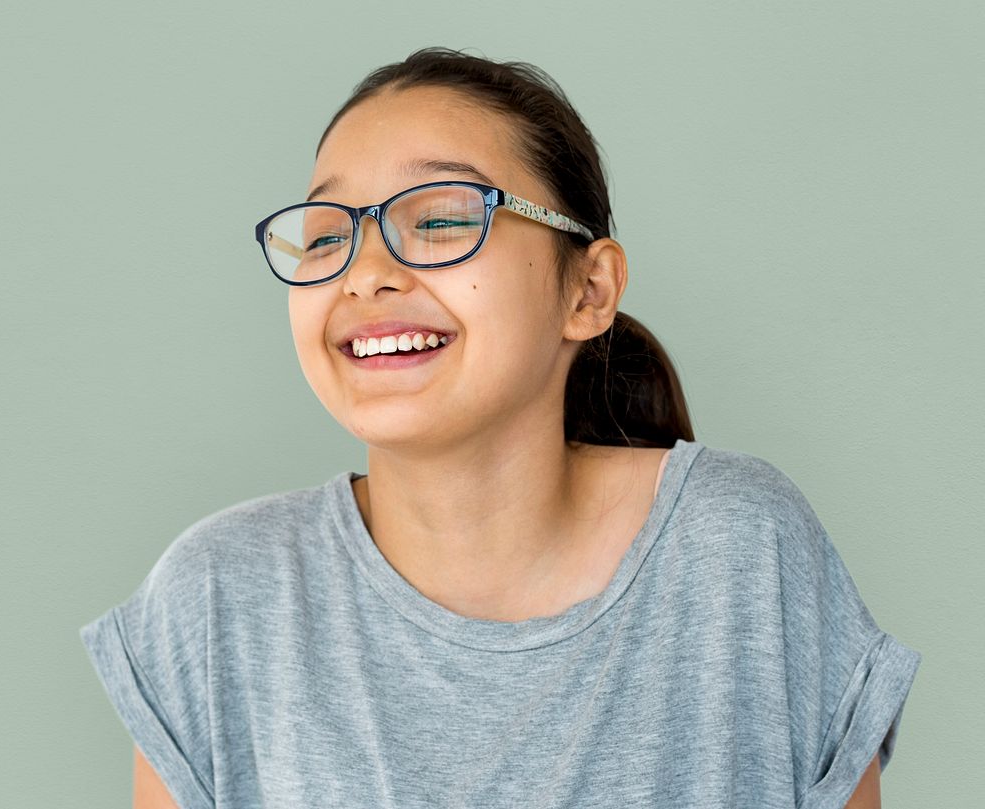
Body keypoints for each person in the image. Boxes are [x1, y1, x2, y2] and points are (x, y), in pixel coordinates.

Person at [80, 48, 920, 809]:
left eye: (442, 218)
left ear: (588, 291)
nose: (365, 274)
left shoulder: (744, 552)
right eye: (328, 234)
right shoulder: (217, 600)